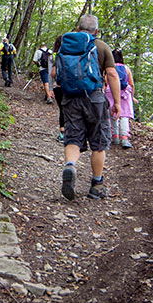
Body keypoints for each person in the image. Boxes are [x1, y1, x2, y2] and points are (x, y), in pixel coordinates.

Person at [52, 14, 121, 200]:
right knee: (98, 142)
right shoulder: (101, 46)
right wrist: (117, 103)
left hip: (70, 97)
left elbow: (54, 73)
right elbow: (112, 75)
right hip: (95, 98)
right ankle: (96, 185)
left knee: (73, 137)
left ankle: (70, 166)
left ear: (78, 28)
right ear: (96, 31)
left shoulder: (66, 44)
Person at [105, 49, 138, 148]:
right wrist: (132, 97)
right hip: (125, 93)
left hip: (110, 91)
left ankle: (114, 136)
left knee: (112, 114)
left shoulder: (109, 68)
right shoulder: (126, 68)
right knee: (124, 115)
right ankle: (124, 138)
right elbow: (131, 84)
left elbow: (106, 82)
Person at [51, 35, 65, 141]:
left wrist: (50, 88)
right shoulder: (72, 54)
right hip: (72, 86)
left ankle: (62, 133)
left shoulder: (54, 55)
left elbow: (52, 73)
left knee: (62, 109)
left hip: (58, 86)